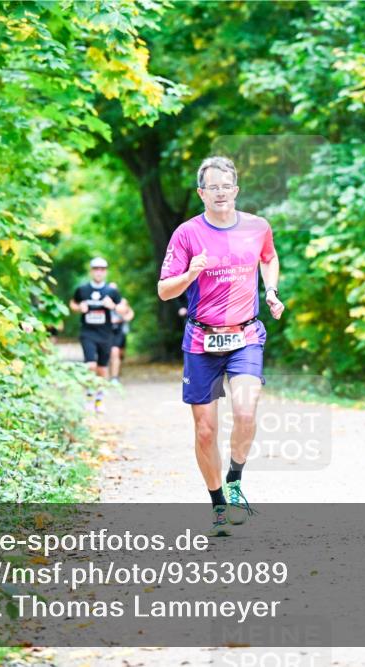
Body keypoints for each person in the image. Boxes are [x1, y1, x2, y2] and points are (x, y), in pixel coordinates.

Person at [157, 156, 285, 537]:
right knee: (205, 431)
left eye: (226, 186)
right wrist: (190, 274)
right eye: (212, 187)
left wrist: (271, 290)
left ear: (236, 190)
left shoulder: (257, 226)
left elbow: (269, 257)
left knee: (245, 411)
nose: (220, 193)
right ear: (201, 193)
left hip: (245, 335)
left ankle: (234, 480)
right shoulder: (186, 234)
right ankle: (217, 505)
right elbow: (164, 290)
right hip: (201, 339)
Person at [71, 257, 127, 413]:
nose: (99, 272)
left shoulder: (111, 291)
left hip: (105, 334)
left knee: (102, 368)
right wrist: (79, 307)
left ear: (106, 272)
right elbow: (73, 303)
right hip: (87, 332)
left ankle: (99, 399)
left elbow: (123, 309)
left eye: (102, 269)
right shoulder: (82, 289)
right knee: (90, 365)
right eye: (96, 269)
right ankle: (89, 396)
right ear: (91, 271)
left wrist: (113, 306)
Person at [107, 282, 135, 385]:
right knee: (112, 352)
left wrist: (124, 318)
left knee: (119, 353)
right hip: (107, 330)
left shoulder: (122, 301)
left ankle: (116, 371)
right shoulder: (104, 300)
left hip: (120, 329)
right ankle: (113, 376)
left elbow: (130, 312)